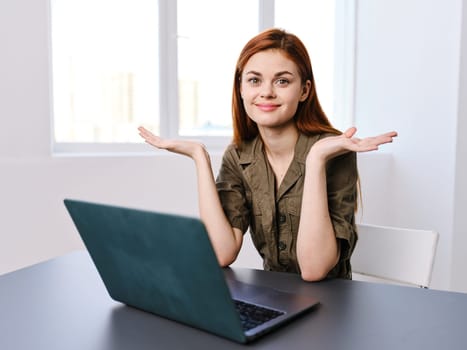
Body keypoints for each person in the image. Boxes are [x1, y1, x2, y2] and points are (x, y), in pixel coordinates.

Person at [138, 28, 397, 281]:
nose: (267, 92)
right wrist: (199, 157)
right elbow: (221, 252)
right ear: (240, 88)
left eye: (282, 81)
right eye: (254, 80)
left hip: (332, 308)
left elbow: (314, 270)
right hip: (274, 301)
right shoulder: (239, 155)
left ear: (304, 91)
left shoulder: (332, 151)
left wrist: (316, 159)